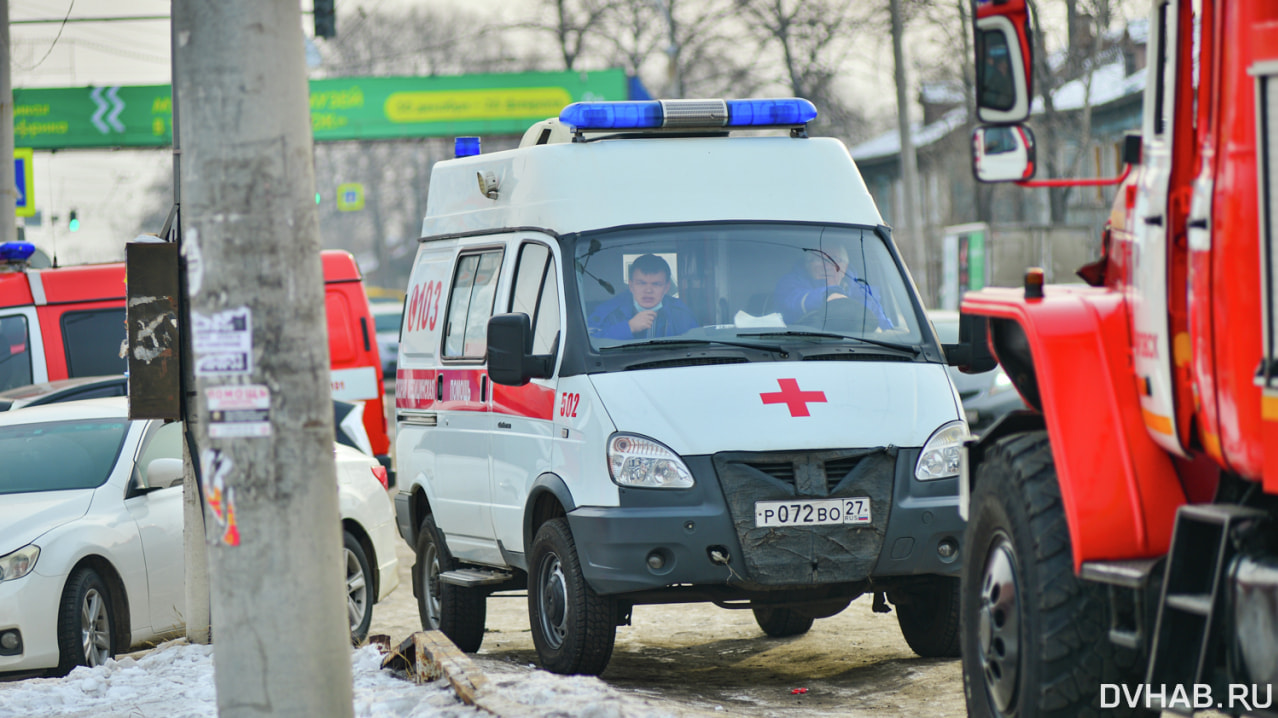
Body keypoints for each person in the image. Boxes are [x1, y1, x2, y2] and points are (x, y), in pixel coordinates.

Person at [773, 244, 894, 329]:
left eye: (835, 259)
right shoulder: (790, 284)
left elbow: (883, 327)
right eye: (818, 259)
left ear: (845, 267)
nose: (827, 266)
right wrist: (828, 295)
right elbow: (792, 302)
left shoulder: (862, 292)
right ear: (807, 265)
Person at [588, 254, 698, 340]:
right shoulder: (609, 312)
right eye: (641, 283)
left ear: (666, 287)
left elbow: (697, 345)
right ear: (631, 285)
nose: (648, 290)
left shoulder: (681, 314)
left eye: (656, 284)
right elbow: (588, 341)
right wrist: (628, 328)